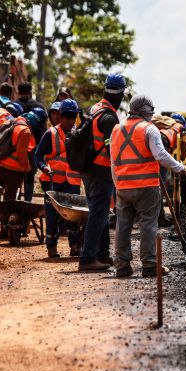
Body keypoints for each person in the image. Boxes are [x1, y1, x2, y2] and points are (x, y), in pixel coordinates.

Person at [111, 94, 186, 278]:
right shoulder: (150, 129)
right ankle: (149, 265)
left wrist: (117, 183)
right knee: (148, 224)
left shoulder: (117, 129)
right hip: (146, 186)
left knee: (123, 226)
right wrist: (180, 168)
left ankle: (122, 266)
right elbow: (161, 155)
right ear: (146, 110)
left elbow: (113, 161)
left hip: (123, 186)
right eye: (151, 110)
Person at [78, 73, 126, 272]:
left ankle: (102, 254)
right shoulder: (110, 117)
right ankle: (87, 258)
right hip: (100, 170)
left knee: (100, 212)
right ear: (121, 94)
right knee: (98, 214)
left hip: (88, 170)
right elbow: (111, 150)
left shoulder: (94, 109)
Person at [35, 99, 82, 258]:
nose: (70, 121)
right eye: (67, 117)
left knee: (74, 216)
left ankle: (75, 246)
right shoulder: (51, 134)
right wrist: (44, 167)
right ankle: (52, 248)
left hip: (72, 182)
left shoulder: (79, 134)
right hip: (52, 182)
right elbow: (37, 156)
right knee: (52, 215)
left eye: (73, 117)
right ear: (60, 117)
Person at [0, 109, 34, 210]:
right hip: (11, 170)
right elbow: (22, 155)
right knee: (9, 200)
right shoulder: (25, 130)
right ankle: (6, 222)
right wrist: (27, 167)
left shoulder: (9, 122)